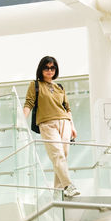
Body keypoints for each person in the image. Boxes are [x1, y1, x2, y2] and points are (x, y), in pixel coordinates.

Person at [23, 56, 80, 197]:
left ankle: (58, 191)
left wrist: (72, 126)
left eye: (52, 68)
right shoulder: (35, 85)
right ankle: (69, 185)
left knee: (62, 157)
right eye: (46, 68)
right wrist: (20, 120)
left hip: (65, 122)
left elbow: (67, 108)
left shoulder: (59, 87)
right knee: (57, 155)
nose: (49, 70)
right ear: (41, 69)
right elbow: (29, 103)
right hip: (47, 124)